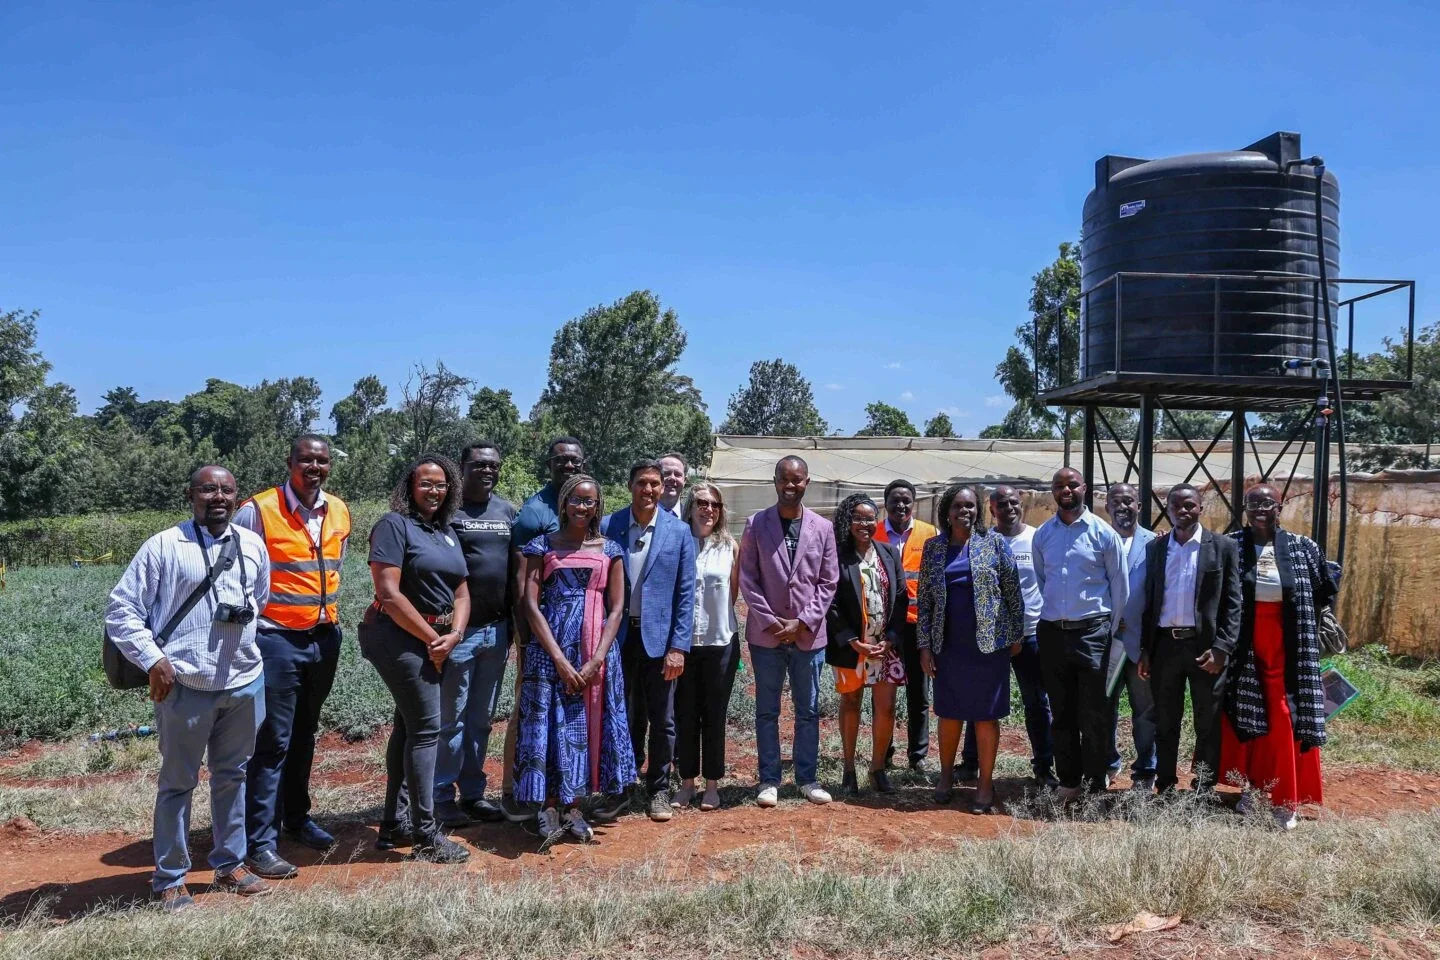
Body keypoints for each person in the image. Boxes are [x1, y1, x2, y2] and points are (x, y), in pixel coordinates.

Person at [105, 465, 273, 911]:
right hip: (185, 684)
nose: (217, 497)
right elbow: (121, 611)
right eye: (207, 489)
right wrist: (154, 660)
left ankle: (231, 864)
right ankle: (170, 877)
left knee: (232, 776)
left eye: (226, 490)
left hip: (243, 680)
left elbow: (261, 599)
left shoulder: (253, 544)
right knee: (178, 782)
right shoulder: (164, 546)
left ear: (237, 497)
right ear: (190, 495)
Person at [233, 435, 350, 881]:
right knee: (272, 741)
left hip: (323, 638)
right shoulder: (258, 510)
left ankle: (297, 818)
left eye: (321, 460)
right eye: (306, 460)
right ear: (290, 463)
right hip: (275, 640)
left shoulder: (338, 510)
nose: (314, 467)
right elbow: (237, 575)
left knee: (305, 733)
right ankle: (259, 842)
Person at [360, 455, 471, 864]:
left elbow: (461, 590)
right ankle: (426, 835)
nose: (434, 490)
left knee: (408, 728)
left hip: (437, 637)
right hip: (397, 637)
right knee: (427, 730)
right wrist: (433, 640)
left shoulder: (445, 531)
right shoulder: (394, 525)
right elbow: (389, 594)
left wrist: (454, 634)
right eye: (425, 483)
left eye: (441, 484)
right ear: (410, 487)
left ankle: (394, 824)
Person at [516, 474, 636, 845]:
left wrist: (596, 659)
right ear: (564, 503)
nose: (583, 507)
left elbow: (617, 609)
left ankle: (574, 806)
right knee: (551, 725)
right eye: (576, 500)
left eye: (590, 501)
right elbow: (529, 604)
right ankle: (548, 806)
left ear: (598, 506)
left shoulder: (610, 550)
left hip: (595, 654)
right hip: (550, 653)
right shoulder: (541, 546)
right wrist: (559, 660)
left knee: (587, 726)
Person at [1218, 484, 1332, 829]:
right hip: (1245, 650)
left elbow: (1324, 590)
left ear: (1279, 507)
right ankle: (1252, 789)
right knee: (1249, 718)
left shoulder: (1302, 546)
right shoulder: (1231, 545)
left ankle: (1286, 800)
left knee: (1284, 718)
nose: (1259, 509)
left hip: (1289, 650)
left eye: (1267, 503)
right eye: (1252, 504)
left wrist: (1323, 621)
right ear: (1244, 509)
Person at [738, 455, 840, 808]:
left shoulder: (823, 529)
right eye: (784, 479)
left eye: (797, 480)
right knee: (767, 710)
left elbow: (828, 581)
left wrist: (802, 622)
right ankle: (769, 779)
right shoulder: (756, 524)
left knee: (808, 709)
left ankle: (807, 778)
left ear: (806, 483)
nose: (790, 485)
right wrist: (771, 621)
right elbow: (747, 578)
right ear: (775, 481)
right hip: (767, 636)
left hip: (808, 636)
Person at [600, 460, 697, 821]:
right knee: (620, 714)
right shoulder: (610, 526)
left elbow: (686, 595)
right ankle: (621, 786)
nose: (650, 490)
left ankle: (658, 787)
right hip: (618, 637)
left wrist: (677, 647)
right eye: (642, 482)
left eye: (655, 484)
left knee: (663, 718)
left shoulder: (679, 532)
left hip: (659, 641)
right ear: (630, 486)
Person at [917, 485, 1024, 813]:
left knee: (985, 716)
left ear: (979, 510)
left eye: (970, 506)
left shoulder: (993, 543)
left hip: (989, 645)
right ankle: (946, 776)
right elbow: (924, 601)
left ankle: (984, 783)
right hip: (948, 644)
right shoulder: (933, 548)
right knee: (949, 713)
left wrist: (1015, 635)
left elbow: (1012, 591)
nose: (965, 511)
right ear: (946, 512)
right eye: (958, 506)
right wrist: (924, 646)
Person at [499, 436, 586, 822]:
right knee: (529, 708)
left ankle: (563, 789)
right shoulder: (536, 513)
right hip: (538, 631)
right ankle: (514, 791)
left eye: (575, 461)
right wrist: (526, 636)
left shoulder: (583, 503)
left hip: (576, 632)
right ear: (549, 464)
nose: (568, 466)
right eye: (561, 460)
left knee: (566, 711)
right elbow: (522, 584)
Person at [434, 441, 518, 826]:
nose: (488, 470)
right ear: (462, 467)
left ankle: (472, 793)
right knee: (451, 717)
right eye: (479, 464)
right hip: (459, 632)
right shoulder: (447, 511)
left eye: (494, 465)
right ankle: (440, 795)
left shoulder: (506, 512)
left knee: (481, 718)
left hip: (497, 631)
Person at [1139, 483, 1242, 796]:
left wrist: (1222, 648)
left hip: (1205, 649)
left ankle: (1204, 786)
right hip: (1165, 647)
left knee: (1207, 723)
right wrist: (1146, 649)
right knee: (1166, 721)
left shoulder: (1222, 546)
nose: (1183, 511)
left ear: (1201, 507)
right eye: (1176, 506)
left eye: (1190, 505)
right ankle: (1166, 784)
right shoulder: (1156, 549)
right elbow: (1149, 601)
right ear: (1167, 510)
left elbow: (1233, 603)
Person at [1032, 468, 1129, 799]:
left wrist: (1110, 632)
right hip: (1053, 634)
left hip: (1093, 633)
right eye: (1059, 485)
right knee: (1061, 713)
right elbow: (1043, 580)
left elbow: (1120, 586)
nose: (1066, 490)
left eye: (1072, 484)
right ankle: (1070, 783)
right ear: (1053, 492)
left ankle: (1095, 783)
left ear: (1084, 488)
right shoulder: (1042, 535)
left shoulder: (1103, 534)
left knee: (1095, 714)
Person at [958, 484, 1055, 786]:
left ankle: (1043, 766)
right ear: (992, 509)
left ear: (1022, 504)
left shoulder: (1037, 538)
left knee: (1037, 703)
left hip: (1030, 635)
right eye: (1003, 504)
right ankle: (970, 763)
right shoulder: (983, 542)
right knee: (982, 702)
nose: (1009, 508)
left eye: (1014, 502)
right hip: (993, 638)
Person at [825, 494, 908, 797]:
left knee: (886, 708)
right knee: (850, 704)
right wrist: (852, 640)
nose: (865, 523)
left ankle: (877, 768)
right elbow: (830, 603)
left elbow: (901, 599)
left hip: (886, 648)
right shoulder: (837, 556)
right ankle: (848, 769)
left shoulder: (888, 553)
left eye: (870, 518)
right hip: (851, 647)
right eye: (858, 518)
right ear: (848, 521)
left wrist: (892, 639)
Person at [673, 482, 741, 812]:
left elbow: (733, 595)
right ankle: (687, 783)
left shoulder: (730, 547)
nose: (708, 509)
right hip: (684, 644)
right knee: (686, 714)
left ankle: (712, 785)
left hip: (720, 642)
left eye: (715, 504)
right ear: (690, 506)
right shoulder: (678, 542)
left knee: (714, 714)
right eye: (702, 502)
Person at [873, 479, 938, 772]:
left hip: (915, 624)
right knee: (884, 692)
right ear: (885, 503)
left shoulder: (929, 533)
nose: (901, 505)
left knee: (918, 693)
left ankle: (918, 755)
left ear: (913, 503)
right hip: (882, 627)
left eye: (906, 500)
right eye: (895, 500)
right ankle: (883, 751)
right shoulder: (872, 532)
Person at [1103, 482, 1159, 792]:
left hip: (1139, 645)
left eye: (1129, 501)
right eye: (1115, 501)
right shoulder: (1098, 540)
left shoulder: (1155, 544)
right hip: (1105, 644)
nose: (1122, 507)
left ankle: (1145, 771)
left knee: (1145, 711)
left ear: (1139, 505)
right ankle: (1108, 764)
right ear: (1107, 507)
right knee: (1103, 708)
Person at [658, 452, 688, 517]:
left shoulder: (691, 518)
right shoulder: (639, 514)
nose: (672, 478)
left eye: (678, 474)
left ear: (685, 480)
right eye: (666, 473)